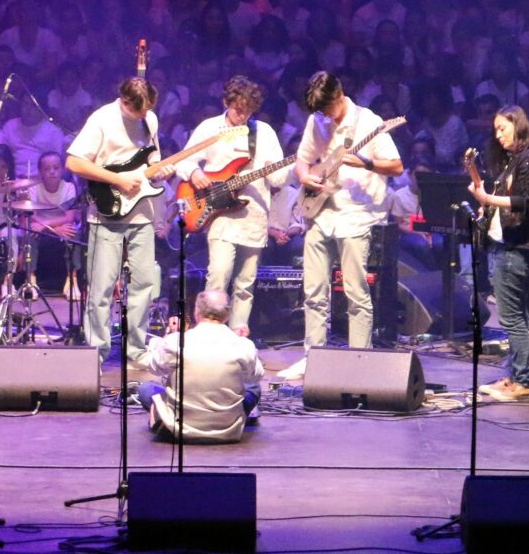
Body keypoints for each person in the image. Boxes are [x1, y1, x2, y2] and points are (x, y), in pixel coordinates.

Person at [278, 71, 403, 380]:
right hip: (321, 213)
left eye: (327, 109)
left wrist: (365, 163)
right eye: (318, 112)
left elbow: (397, 166)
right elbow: (302, 160)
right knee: (314, 290)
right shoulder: (316, 121)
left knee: (355, 292)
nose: (325, 116)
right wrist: (304, 176)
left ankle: (358, 359)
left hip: (355, 215)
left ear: (339, 96)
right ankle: (313, 356)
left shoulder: (368, 122)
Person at [65, 76, 175, 368]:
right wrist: (117, 179)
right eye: (138, 110)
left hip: (143, 212)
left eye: (147, 110)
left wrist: (161, 171)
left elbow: (151, 161)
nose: (143, 116)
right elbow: (74, 162)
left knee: (144, 283)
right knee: (102, 286)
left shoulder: (149, 119)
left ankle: (135, 349)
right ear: (125, 101)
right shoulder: (102, 119)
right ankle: (96, 352)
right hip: (107, 211)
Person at [175, 77, 287, 336]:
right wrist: (194, 173)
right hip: (219, 211)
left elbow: (279, 179)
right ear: (226, 102)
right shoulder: (209, 128)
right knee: (219, 273)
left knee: (246, 282)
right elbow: (183, 160)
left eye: (248, 110)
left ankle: (238, 331)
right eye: (238, 109)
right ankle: (209, 331)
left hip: (254, 214)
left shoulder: (264, 132)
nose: (242, 116)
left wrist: (279, 171)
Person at [469, 105, 529, 401]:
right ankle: (516, 376)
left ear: (517, 126)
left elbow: (526, 200)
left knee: (513, 319)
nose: (498, 135)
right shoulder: (515, 160)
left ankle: (523, 381)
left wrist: (488, 197)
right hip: (509, 246)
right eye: (495, 130)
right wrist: (488, 205)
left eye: (502, 129)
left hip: (516, 248)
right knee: (519, 317)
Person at [137, 290, 264, 444]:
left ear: (197, 312)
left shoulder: (175, 341)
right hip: (228, 430)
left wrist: (169, 334)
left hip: (179, 428)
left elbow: (154, 367)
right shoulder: (243, 345)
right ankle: (239, 418)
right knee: (253, 387)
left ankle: (158, 418)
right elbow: (255, 375)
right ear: (227, 315)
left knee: (146, 388)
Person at [22, 151, 80, 298]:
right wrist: (53, 229)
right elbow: (32, 217)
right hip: (41, 229)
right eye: (47, 169)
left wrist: (47, 225)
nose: (52, 172)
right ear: (41, 172)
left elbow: (70, 216)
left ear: (61, 169)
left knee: (75, 234)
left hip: (55, 227)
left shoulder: (69, 188)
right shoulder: (34, 188)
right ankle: (31, 280)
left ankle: (72, 280)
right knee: (29, 236)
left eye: (56, 167)